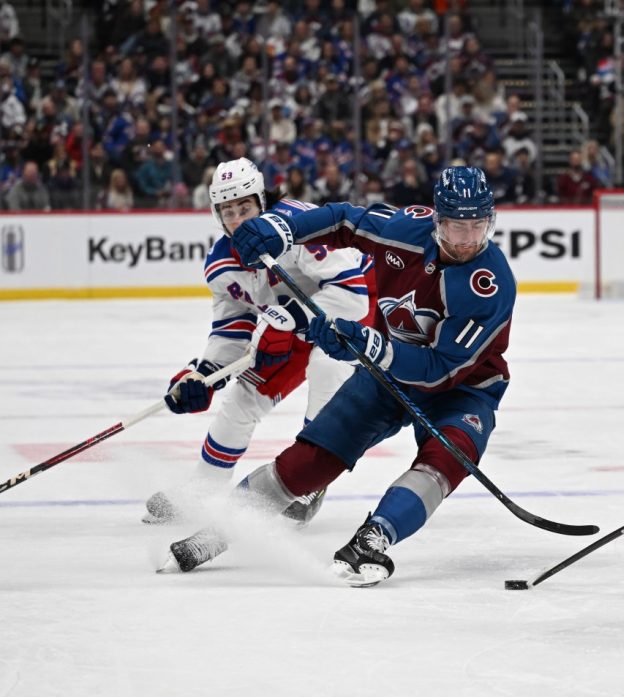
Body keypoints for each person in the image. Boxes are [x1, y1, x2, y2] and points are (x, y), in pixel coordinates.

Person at [161, 166, 517, 588]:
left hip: (465, 389)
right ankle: (218, 532)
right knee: (307, 462)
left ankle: (375, 537)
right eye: (458, 226)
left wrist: (368, 343)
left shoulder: (490, 284)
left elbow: (441, 369)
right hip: (386, 377)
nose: (468, 240)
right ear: (437, 220)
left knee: (446, 459)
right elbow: (344, 219)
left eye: (478, 226)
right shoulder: (405, 230)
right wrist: (284, 229)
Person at [144, 157, 374, 526]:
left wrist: (289, 319)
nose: (238, 219)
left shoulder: (298, 225)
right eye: (228, 211)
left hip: (357, 305)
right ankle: (203, 488)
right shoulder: (220, 262)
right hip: (290, 323)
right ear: (217, 215)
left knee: (327, 365)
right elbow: (232, 326)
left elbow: (352, 293)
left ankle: (311, 478)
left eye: (245, 207)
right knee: (243, 396)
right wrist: (204, 374)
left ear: (262, 201)